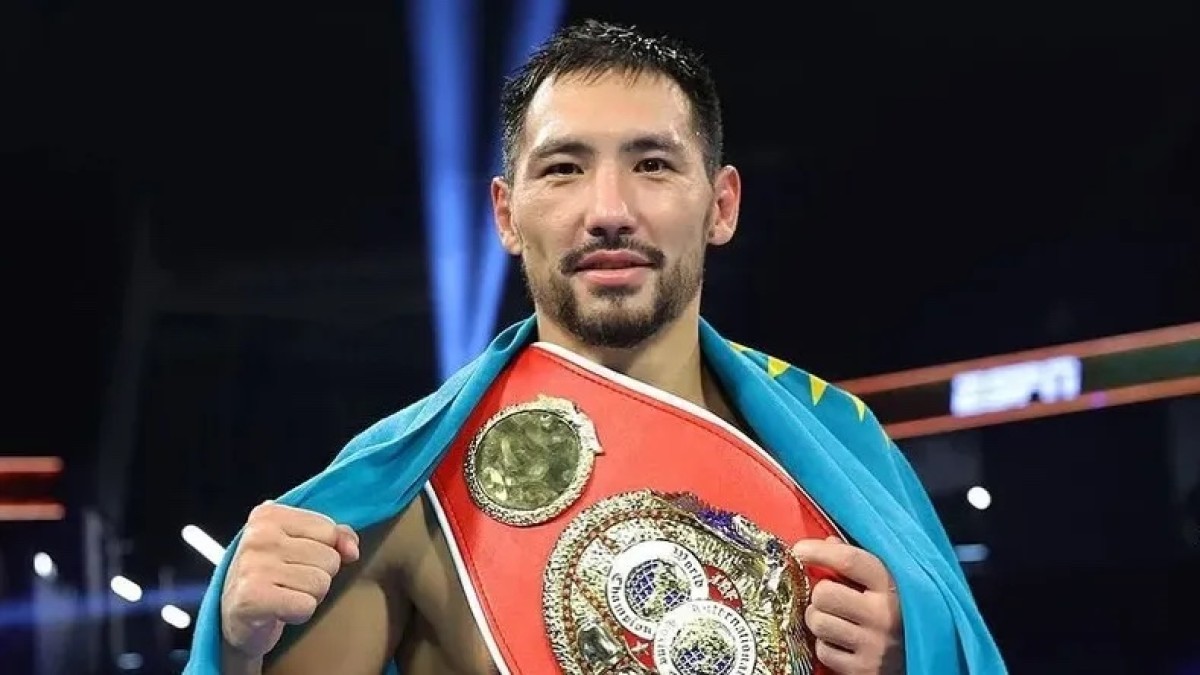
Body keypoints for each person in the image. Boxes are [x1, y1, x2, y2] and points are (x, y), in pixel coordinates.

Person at [186, 19, 1006, 675]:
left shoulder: (844, 448)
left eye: (652, 164)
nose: (609, 210)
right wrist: (239, 644)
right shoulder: (408, 487)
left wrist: (922, 653)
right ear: (506, 214)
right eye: (563, 169)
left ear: (721, 205)